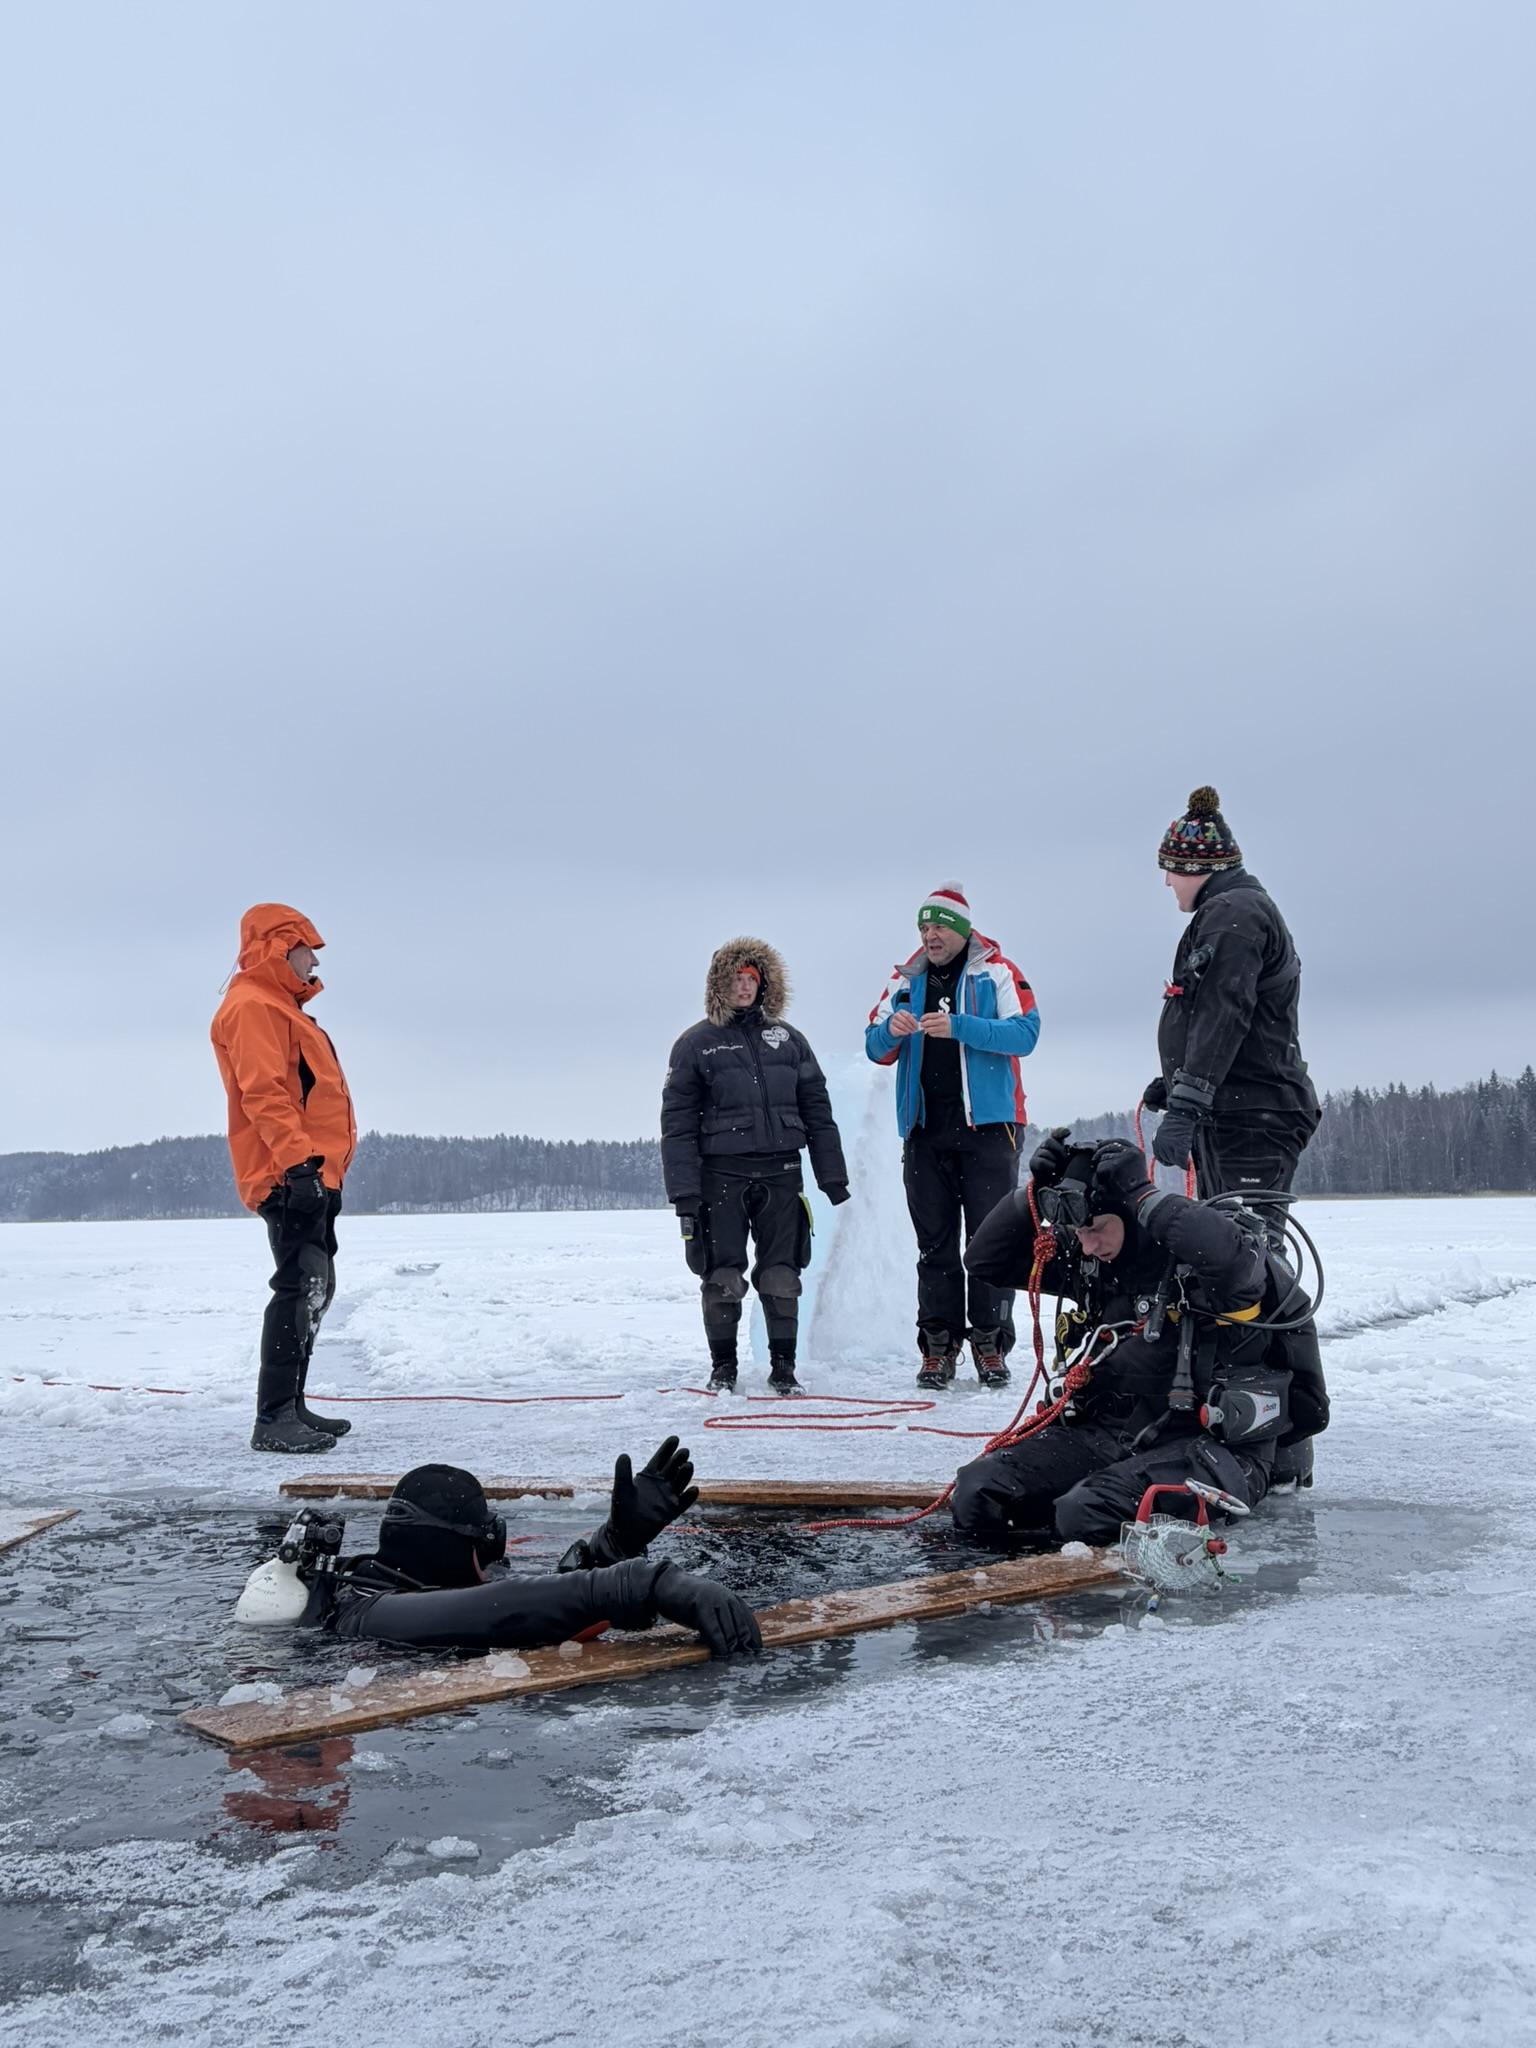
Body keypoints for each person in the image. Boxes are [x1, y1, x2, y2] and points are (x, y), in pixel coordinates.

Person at [950, 1135, 1328, 1545]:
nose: (1088, 1245)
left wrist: (1142, 1193)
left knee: (1086, 1513)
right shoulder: (1092, 1260)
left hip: (1213, 1448)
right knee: (980, 1492)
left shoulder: (1200, 1258)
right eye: (1078, 1231)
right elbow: (986, 1261)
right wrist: (1029, 1198)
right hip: (1112, 1432)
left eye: (1097, 1229)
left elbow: (1234, 1258)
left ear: (1131, 1213)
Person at [297, 1438, 762, 1659]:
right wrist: (644, 1582)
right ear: (452, 1551)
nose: (495, 1564)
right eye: (488, 1547)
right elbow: (503, 1609)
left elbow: (541, 1603)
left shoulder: (388, 1588)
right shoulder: (367, 1614)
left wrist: (615, 1545)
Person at [865, 883, 1040, 1390]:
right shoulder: (904, 979)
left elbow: (1026, 1034)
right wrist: (892, 1031)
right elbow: (874, 1046)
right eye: (924, 927)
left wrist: (960, 1026)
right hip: (925, 1130)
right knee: (934, 1245)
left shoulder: (997, 971)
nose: (930, 935)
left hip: (990, 1129)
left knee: (989, 1240)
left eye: (939, 925)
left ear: (962, 929)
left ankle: (990, 1343)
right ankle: (938, 1347)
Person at [661, 939, 849, 1396]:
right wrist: (684, 1194)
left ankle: (783, 1369)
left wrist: (832, 1176)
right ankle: (723, 1368)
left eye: (751, 979)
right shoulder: (695, 1044)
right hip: (720, 1176)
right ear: (718, 984)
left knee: (782, 1274)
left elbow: (817, 1110)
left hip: (781, 1172)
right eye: (735, 979)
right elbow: (677, 1124)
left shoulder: (789, 1040)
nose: (744, 987)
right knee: (721, 1275)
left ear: (764, 984)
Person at [211, 904, 357, 1455]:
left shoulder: (279, 1006)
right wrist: (298, 1166)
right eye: (306, 949)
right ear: (278, 947)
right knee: (299, 1286)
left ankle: (291, 1406)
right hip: (288, 1174)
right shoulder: (252, 1006)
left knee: (316, 1288)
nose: (314, 961)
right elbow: (264, 1093)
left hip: (312, 1172)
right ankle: (273, 1418)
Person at [1147, 788, 1320, 1237]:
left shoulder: (1233, 916)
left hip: (1253, 1115)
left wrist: (1186, 1105)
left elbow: (1223, 1015)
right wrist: (1177, 1082)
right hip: (1236, 1109)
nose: (1166, 882)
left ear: (1196, 868)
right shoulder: (1230, 911)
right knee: (1225, 1248)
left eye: (1171, 868)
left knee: (1245, 1251)